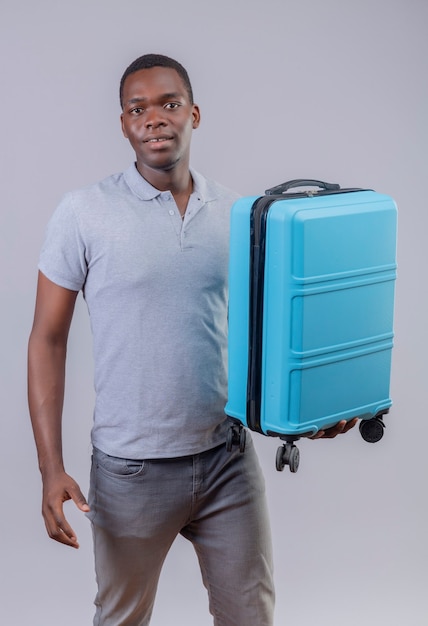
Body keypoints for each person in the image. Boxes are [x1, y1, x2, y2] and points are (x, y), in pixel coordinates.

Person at [28, 53, 356, 626]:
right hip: (131, 470)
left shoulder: (240, 214)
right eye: (138, 108)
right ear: (124, 125)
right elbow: (47, 340)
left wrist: (316, 410)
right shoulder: (83, 213)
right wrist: (50, 468)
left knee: (251, 616)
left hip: (226, 457)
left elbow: (276, 330)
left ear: (195, 114)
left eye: (169, 103)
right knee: (122, 618)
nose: (154, 118)